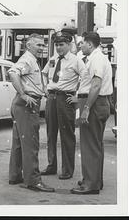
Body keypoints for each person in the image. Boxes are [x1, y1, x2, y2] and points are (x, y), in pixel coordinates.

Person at [8, 33, 55, 192]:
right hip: (27, 105)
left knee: (19, 142)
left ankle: (15, 175)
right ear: (28, 45)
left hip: (22, 104)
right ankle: (33, 181)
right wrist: (23, 94)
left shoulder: (31, 59)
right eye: (38, 45)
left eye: (43, 45)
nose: (42, 48)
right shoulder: (27, 59)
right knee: (31, 143)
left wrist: (42, 90)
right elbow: (13, 73)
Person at [69, 32, 113, 195]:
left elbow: (95, 85)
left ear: (89, 44)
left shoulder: (96, 59)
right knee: (95, 144)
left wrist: (86, 109)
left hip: (93, 103)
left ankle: (90, 185)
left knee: (89, 145)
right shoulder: (97, 57)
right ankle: (94, 179)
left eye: (82, 43)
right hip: (97, 102)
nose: (80, 46)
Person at [41, 31, 86, 180]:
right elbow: (44, 73)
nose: (58, 48)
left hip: (65, 99)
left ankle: (67, 169)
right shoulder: (53, 59)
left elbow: (86, 78)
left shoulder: (76, 60)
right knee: (50, 133)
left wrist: (77, 96)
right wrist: (45, 89)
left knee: (67, 135)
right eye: (56, 45)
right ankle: (51, 165)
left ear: (69, 44)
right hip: (52, 98)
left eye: (61, 44)